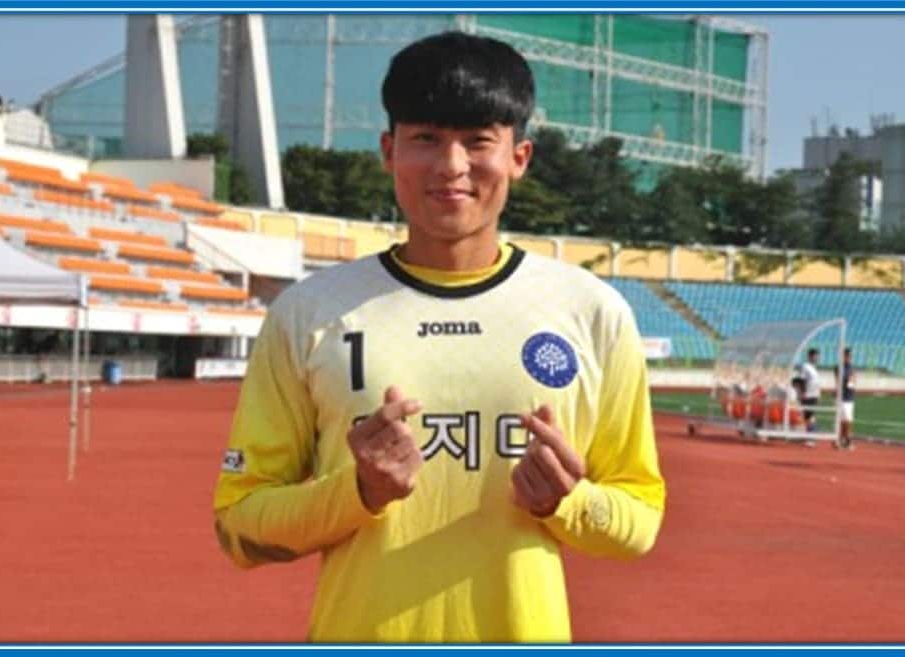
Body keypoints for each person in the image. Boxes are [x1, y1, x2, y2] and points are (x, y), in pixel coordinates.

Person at [212, 31, 665, 643]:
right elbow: (240, 525)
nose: (451, 167)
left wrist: (570, 502)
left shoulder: (591, 312)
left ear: (519, 157)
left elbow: (639, 520)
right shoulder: (309, 313)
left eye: (479, 141)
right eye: (426, 139)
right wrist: (359, 491)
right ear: (388, 151)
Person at [835, 347, 856, 450]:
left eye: (850, 356)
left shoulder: (851, 367)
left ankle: (844, 439)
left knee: (847, 419)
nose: (849, 358)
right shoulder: (839, 367)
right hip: (842, 396)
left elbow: (852, 380)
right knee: (843, 419)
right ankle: (843, 439)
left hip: (849, 396)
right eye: (847, 355)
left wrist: (851, 381)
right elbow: (839, 380)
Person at [798, 348, 821, 433]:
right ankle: (810, 434)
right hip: (807, 395)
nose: (817, 358)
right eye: (815, 356)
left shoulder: (814, 368)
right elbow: (801, 380)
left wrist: (818, 395)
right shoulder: (805, 366)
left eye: (818, 356)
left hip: (814, 395)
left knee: (811, 415)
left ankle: (810, 434)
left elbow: (816, 383)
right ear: (810, 356)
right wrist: (803, 393)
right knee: (808, 416)